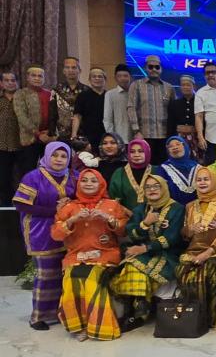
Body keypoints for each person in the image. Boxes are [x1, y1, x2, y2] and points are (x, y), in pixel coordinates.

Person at [51, 168, 129, 341]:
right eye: (84, 180)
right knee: (71, 280)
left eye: (93, 181)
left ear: (101, 184)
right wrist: (73, 220)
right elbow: (56, 234)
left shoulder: (112, 205)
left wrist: (108, 218)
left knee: (92, 280)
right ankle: (79, 326)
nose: (88, 184)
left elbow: (124, 231)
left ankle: (99, 327)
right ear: (78, 184)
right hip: (76, 256)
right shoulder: (69, 207)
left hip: (105, 254)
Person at [12, 141, 77, 330]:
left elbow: (84, 197)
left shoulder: (74, 176)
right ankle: (38, 317)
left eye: (63, 156)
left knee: (65, 275)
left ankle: (63, 313)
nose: (59, 159)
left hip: (69, 232)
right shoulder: (33, 177)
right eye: (55, 155)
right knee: (46, 275)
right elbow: (21, 204)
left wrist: (72, 204)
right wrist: (54, 211)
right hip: (40, 230)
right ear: (47, 156)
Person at [111, 174, 184, 332]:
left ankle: (138, 314)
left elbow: (171, 238)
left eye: (156, 186)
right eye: (148, 187)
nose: (152, 190)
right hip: (143, 252)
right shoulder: (141, 209)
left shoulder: (177, 209)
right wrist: (145, 223)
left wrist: (145, 248)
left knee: (139, 267)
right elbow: (132, 234)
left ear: (164, 188)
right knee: (131, 267)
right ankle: (135, 311)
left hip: (169, 254)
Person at [175, 167, 216, 329]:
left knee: (208, 273)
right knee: (185, 274)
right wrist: (190, 229)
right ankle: (194, 320)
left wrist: (208, 252)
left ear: (213, 181)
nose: (202, 182)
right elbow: (184, 234)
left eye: (206, 179)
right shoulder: (190, 206)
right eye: (199, 180)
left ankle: (214, 320)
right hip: (193, 251)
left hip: (215, 251)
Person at [128, 55, 175, 165]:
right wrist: (136, 131)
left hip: (164, 135)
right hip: (144, 135)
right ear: (145, 68)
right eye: (150, 67)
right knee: (146, 165)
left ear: (161, 69)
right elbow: (131, 108)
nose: (154, 69)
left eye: (157, 67)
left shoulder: (169, 87)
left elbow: (173, 111)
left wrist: (172, 133)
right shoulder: (136, 85)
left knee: (163, 165)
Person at [14, 66, 54, 175]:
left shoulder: (50, 94)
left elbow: (55, 115)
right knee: (28, 172)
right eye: (33, 75)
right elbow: (21, 116)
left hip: (48, 138)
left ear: (44, 78)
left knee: (49, 171)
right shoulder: (20, 94)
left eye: (40, 76)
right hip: (29, 139)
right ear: (27, 77)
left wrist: (50, 131)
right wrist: (38, 134)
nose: (37, 78)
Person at [108, 139, 154, 211]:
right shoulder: (120, 173)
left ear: (147, 152)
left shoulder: (157, 171)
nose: (136, 155)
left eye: (141, 151)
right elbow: (114, 200)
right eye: (132, 152)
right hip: (125, 216)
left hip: (156, 215)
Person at [49, 57, 88, 141]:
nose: (70, 70)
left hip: (83, 134)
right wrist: (51, 134)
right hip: (61, 134)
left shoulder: (86, 91)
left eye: (74, 67)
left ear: (80, 70)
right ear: (63, 71)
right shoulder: (56, 90)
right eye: (67, 67)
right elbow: (52, 114)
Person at [156, 136, 200, 205]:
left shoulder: (197, 167)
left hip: (197, 208)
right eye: (171, 146)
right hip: (174, 208)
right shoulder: (163, 168)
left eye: (178, 144)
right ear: (168, 151)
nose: (175, 147)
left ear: (185, 146)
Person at [71, 67, 107, 153]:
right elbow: (77, 116)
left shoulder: (109, 95)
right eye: (94, 76)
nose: (97, 78)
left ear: (105, 79)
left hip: (106, 135)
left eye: (100, 76)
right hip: (88, 135)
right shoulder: (83, 96)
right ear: (89, 80)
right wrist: (74, 134)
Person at [167, 75, 200, 161]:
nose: (185, 87)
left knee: (196, 160)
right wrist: (171, 139)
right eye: (183, 85)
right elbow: (170, 124)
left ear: (194, 86)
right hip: (178, 138)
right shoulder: (174, 103)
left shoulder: (199, 102)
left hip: (196, 138)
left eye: (188, 85)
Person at [0, 72, 21, 206]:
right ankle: (6, 206)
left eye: (13, 80)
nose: (10, 83)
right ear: (1, 83)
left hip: (22, 144)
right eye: (6, 80)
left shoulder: (22, 98)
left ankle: (22, 204)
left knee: (21, 177)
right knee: (3, 178)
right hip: (2, 145)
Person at [103, 63, 133, 144]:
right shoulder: (110, 94)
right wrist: (112, 137)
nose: (123, 78)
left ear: (130, 77)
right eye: (119, 76)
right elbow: (107, 119)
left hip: (136, 138)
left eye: (125, 76)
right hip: (118, 138)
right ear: (115, 78)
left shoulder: (135, 93)